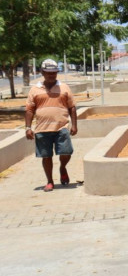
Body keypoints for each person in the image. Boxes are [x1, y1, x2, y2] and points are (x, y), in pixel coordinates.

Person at [25, 59, 78, 192]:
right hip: (42, 129)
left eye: (54, 72)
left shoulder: (64, 87)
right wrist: (28, 127)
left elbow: (72, 107)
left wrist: (74, 125)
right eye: (48, 72)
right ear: (42, 72)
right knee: (46, 156)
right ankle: (49, 181)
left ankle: (62, 167)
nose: (51, 75)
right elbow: (29, 110)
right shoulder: (34, 89)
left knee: (66, 152)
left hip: (62, 127)